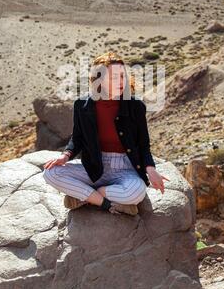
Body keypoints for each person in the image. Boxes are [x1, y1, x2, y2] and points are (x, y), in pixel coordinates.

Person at [43, 51, 169, 216]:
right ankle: (106, 203)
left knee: (136, 193)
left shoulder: (135, 106)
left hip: (125, 168)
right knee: (50, 173)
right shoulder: (82, 105)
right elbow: (78, 138)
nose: (120, 82)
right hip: (94, 166)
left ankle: (88, 195)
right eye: (114, 78)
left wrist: (151, 170)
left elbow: (143, 144)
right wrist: (65, 156)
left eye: (122, 76)